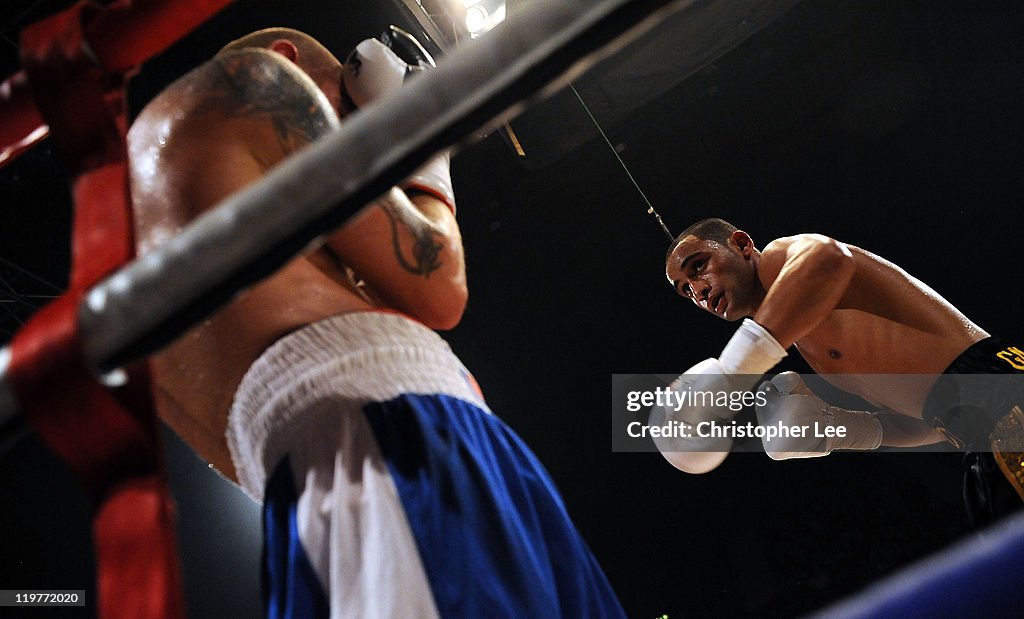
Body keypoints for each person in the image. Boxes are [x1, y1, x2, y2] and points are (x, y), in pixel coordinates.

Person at [128, 27, 624, 617]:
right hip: (399, 446)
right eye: (341, 109)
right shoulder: (255, 82)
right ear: (285, 60)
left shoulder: (125, 273)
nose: (346, 133)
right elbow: (440, 288)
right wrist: (422, 143)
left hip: (308, 516)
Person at [655, 217, 1024, 527]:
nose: (698, 291)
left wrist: (733, 371)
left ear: (741, 244)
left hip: (1001, 391)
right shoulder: (809, 342)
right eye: (686, 291)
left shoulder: (781, 258)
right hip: (976, 434)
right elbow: (930, 423)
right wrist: (842, 430)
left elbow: (830, 257)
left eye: (698, 266)